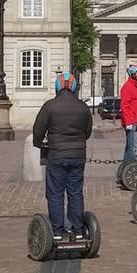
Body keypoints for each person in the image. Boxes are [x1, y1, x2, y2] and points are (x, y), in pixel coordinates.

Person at [33, 71, 92, 240]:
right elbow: (87, 131)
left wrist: (39, 143)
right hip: (78, 155)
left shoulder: (50, 106)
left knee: (55, 193)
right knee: (75, 192)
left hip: (56, 155)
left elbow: (38, 130)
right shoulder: (83, 107)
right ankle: (78, 230)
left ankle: (57, 231)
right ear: (74, 87)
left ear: (57, 87)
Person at [119, 65, 137, 165]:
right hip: (132, 122)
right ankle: (130, 167)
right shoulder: (128, 87)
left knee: (130, 147)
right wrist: (128, 122)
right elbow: (124, 106)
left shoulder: (135, 87)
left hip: (135, 121)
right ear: (133, 74)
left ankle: (126, 167)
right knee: (132, 147)